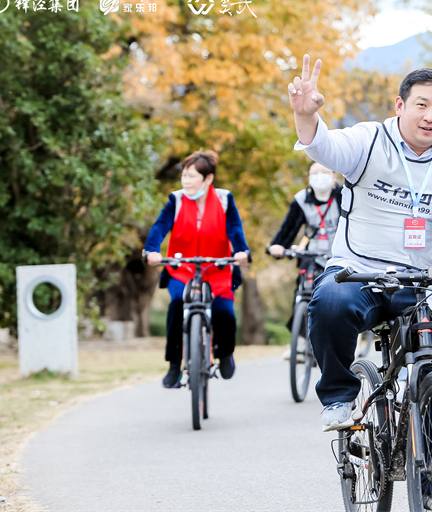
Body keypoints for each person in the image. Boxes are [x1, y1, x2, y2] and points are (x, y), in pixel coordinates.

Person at [287, 55, 432, 440]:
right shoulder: (370, 140)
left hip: (429, 285)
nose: (431, 116)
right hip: (362, 273)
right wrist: (307, 117)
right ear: (400, 105)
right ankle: (340, 396)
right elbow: (326, 147)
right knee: (329, 301)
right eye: (422, 104)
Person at [143, 150, 250, 388]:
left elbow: (234, 229)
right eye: (184, 175)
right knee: (177, 304)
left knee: (224, 312)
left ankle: (223, 354)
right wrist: (151, 249)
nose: (186, 181)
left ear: (208, 179)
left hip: (218, 268)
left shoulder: (224, 199)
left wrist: (241, 251)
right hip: (182, 268)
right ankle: (174, 365)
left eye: (192, 176)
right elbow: (160, 226)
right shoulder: (177, 200)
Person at [268, 162, 342, 274]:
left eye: (325, 172)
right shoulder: (301, 200)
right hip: (314, 257)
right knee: (305, 283)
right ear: (309, 178)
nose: (320, 176)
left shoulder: (345, 195)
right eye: (315, 173)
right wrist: (278, 245)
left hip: (343, 257)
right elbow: (289, 227)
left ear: (334, 176)